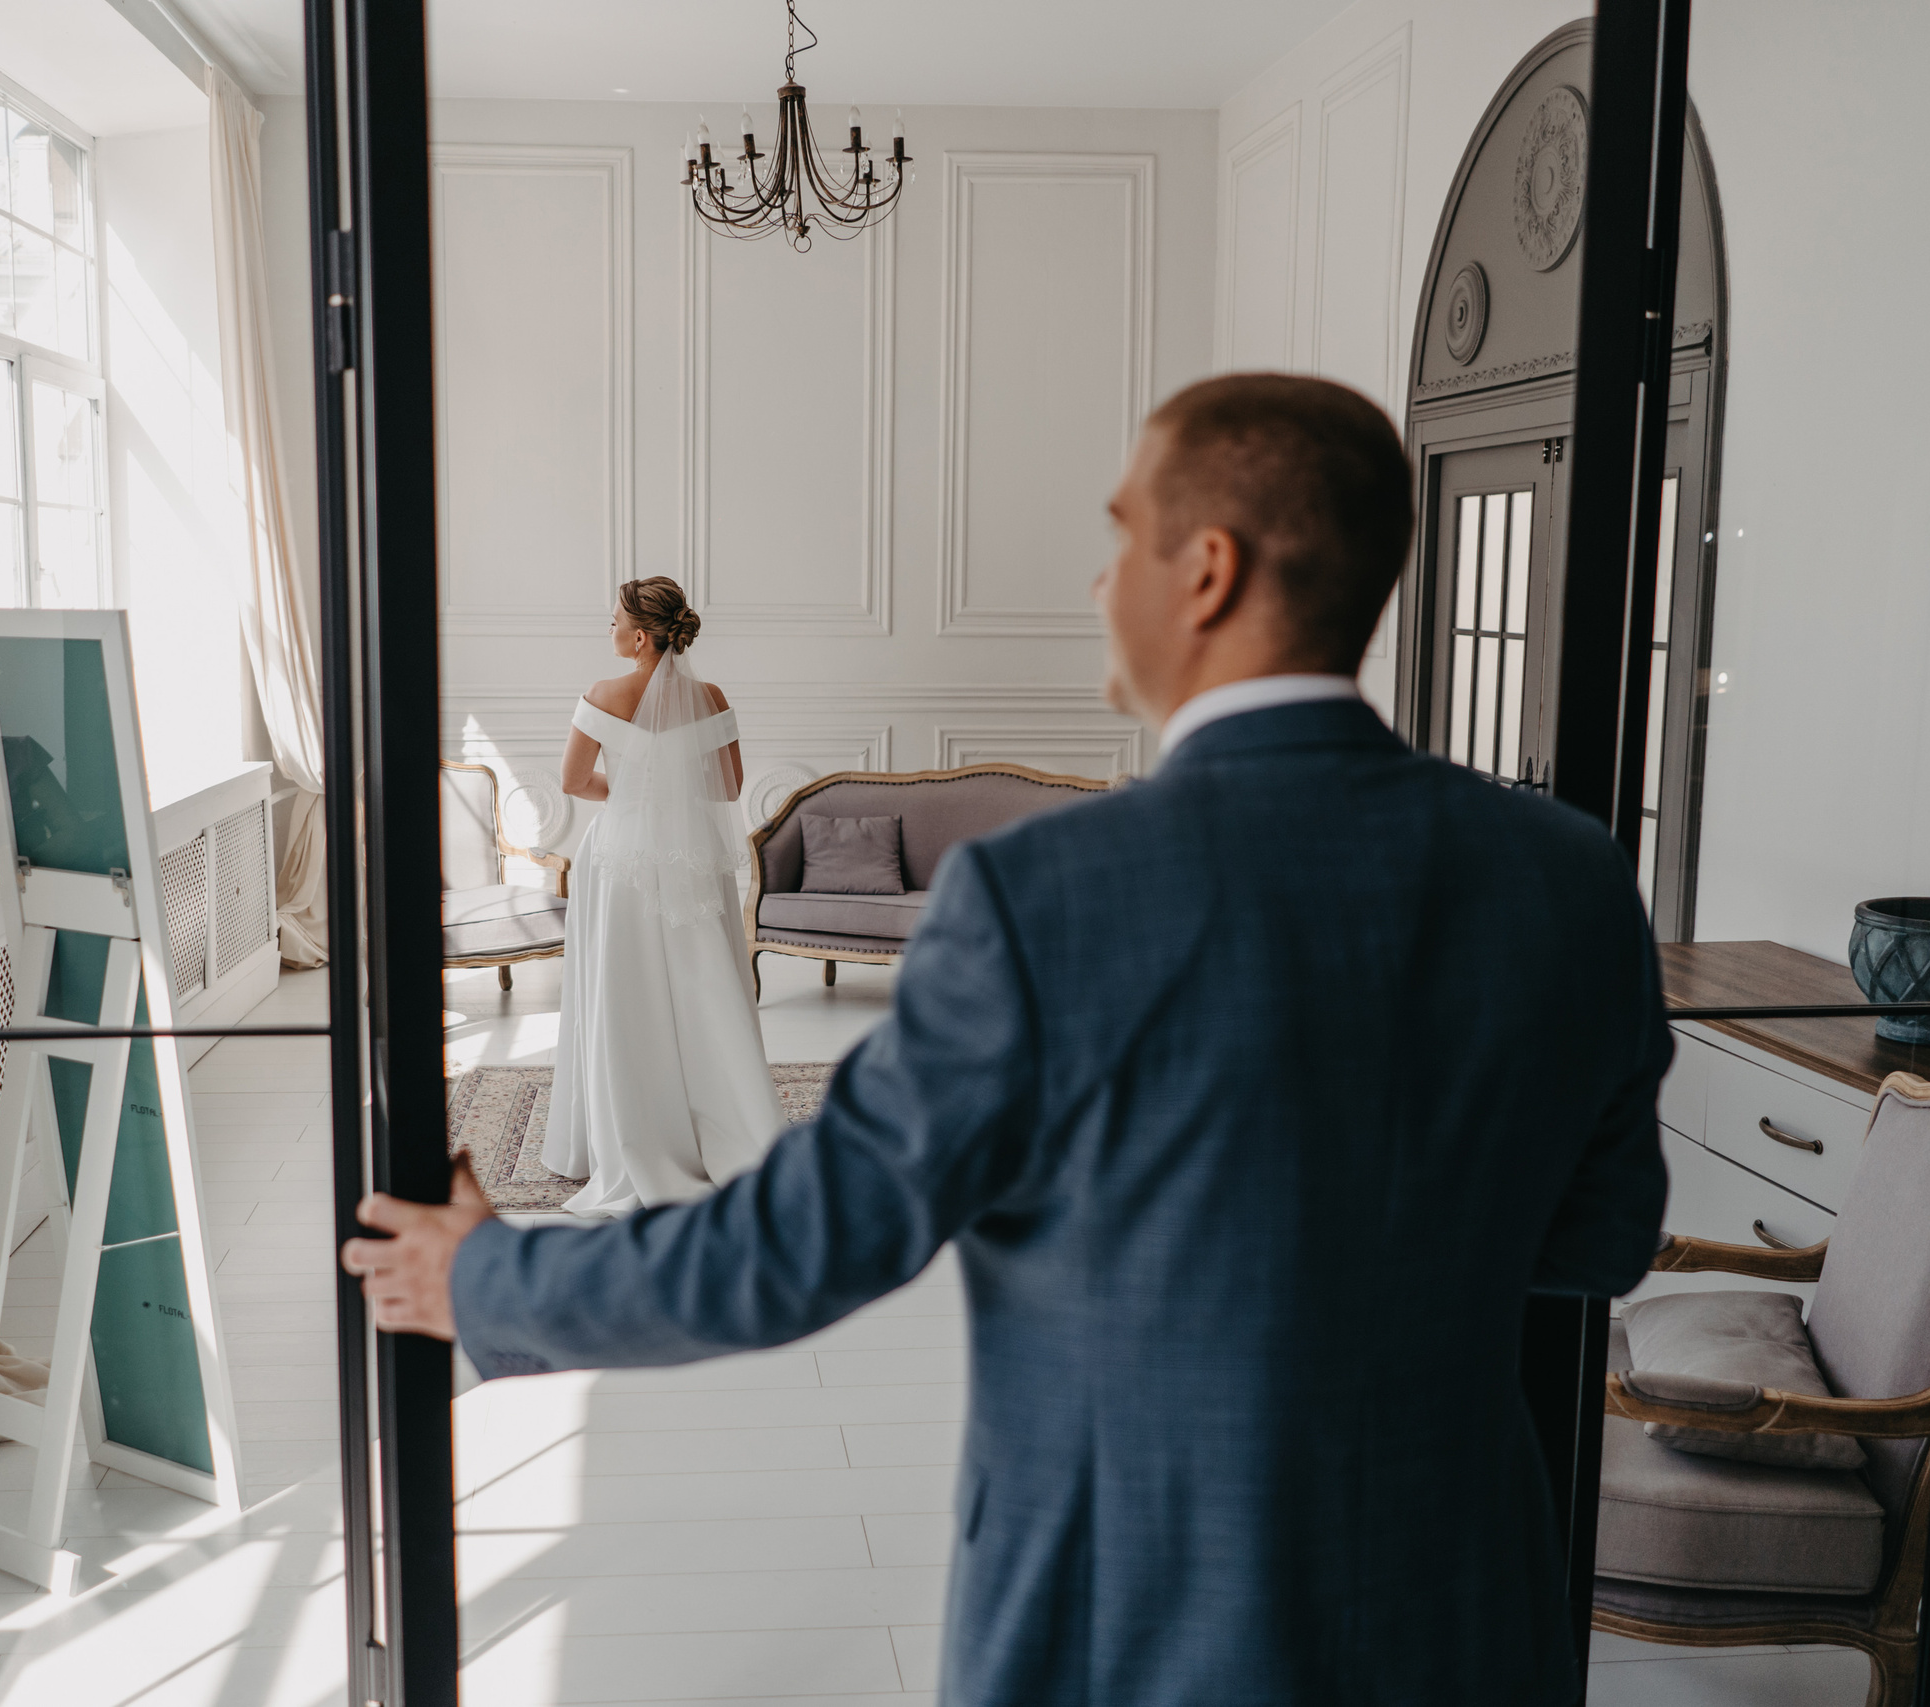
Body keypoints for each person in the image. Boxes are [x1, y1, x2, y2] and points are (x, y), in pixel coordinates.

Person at [345, 375, 1670, 1703]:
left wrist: (487, 1281)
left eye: (1119, 537)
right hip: (1471, 1624)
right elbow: (1603, 1235)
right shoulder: (1568, 876)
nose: (1101, 583)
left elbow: (799, 1241)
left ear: (1205, 571)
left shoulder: (1050, 895)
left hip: (1123, 1638)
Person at [538, 576, 782, 1216]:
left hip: (619, 857)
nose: (610, 629)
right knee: (706, 985)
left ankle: (627, 1133)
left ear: (641, 636)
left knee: (623, 989)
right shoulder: (711, 696)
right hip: (694, 856)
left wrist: (630, 793)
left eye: (615, 620)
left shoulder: (601, 694)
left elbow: (571, 780)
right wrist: (669, 790)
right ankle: (729, 1124)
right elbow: (728, 789)